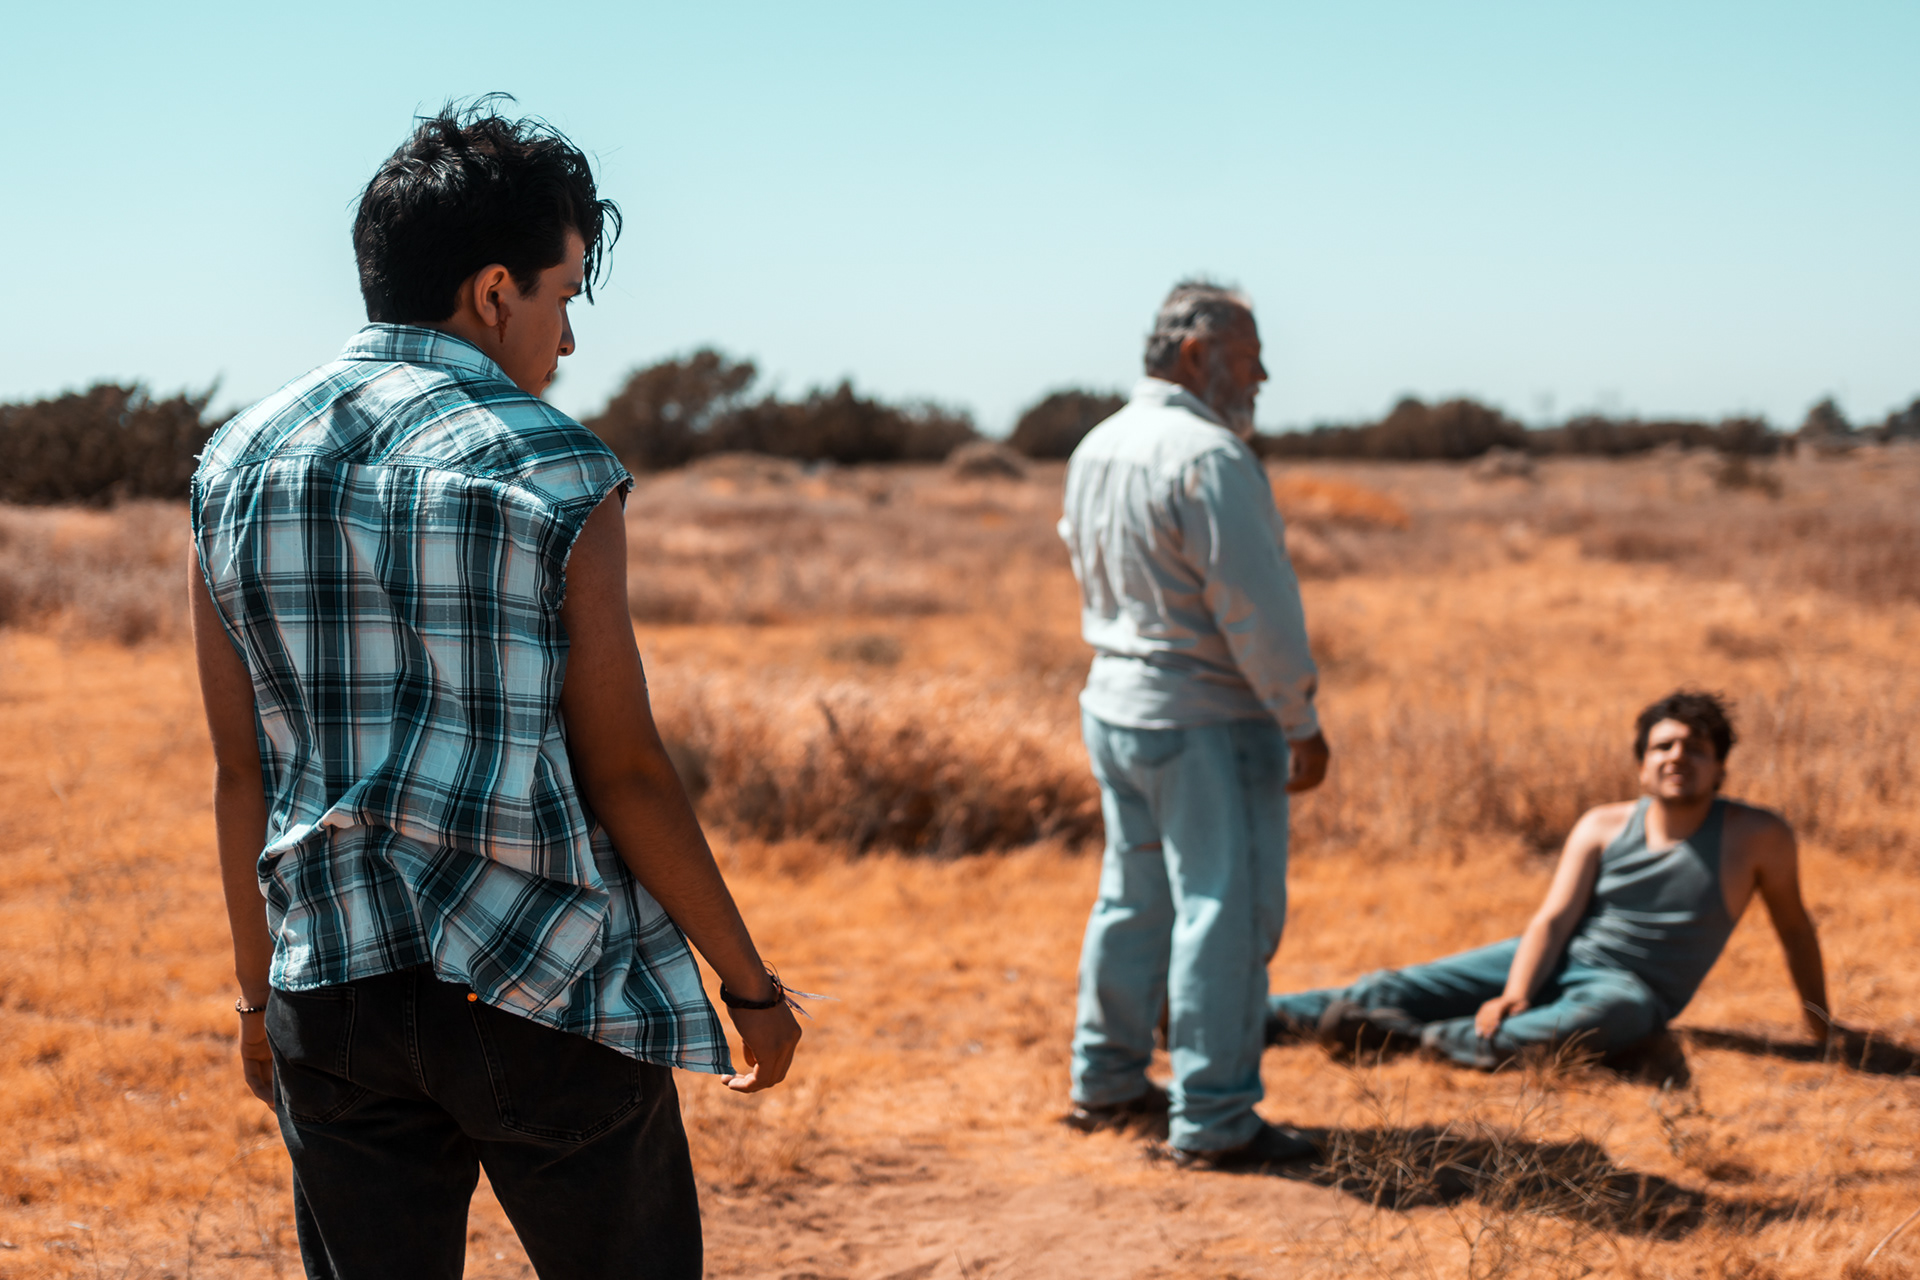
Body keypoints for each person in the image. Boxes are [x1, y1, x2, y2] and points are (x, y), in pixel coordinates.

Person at [188, 101, 800, 1280]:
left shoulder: (234, 462)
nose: (565, 341)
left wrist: (258, 1000)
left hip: (332, 985)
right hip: (542, 987)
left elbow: (239, 769)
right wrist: (750, 982)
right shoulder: (555, 465)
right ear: (493, 292)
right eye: (564, 297)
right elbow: (626, 768)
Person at [1056, 280, 1331, 1169]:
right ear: (1195, 355)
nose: (1263, 376)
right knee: (1225, 910)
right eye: (1250, 356)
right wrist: (1298, 717)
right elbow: (1256, 607)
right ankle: (1215, 1118)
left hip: (1117, 704)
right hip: (1208, 714)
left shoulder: (1099, 444)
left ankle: (1106, 1080)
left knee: (1133, 898)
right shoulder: (1210, 454)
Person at [1268, 690, 1831, 1068]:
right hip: (1555, 959)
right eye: (1663, 746)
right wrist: (1516, 992)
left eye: (1696, 749)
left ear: (1721, 768)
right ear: (1642, 765)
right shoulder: (1603, 825)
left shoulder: (1757, 835)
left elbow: (1795, 930)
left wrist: (1821, 1025)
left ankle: (1419, 1040)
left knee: (1604, 1018)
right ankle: (1254, 1016)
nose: (1677, 757)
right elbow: (1554, 920)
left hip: (1630, 989)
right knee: (1390, 986)